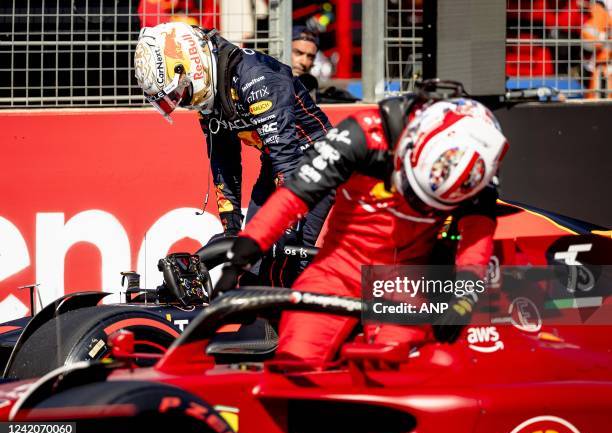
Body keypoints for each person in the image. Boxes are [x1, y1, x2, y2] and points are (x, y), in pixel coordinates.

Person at [214, 81, 509, 363]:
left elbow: (476, 240)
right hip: (339, 268)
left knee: (394, 364)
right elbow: (295, 194)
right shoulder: (364, 133)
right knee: (297, 355)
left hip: (410, 280)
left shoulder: (478, 172)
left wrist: (464, 298)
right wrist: (245, 251)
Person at [134, 22, 334, 282]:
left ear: (191, 65)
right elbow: (224, 162)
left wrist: (286, 227)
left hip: (317, 162)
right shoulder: (211, 95)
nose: (181, 101)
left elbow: (288, 160)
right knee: (251, 268)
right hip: (277, 165)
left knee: (280, 266)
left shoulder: (257, 78)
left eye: (179, 93)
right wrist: (231, 228)